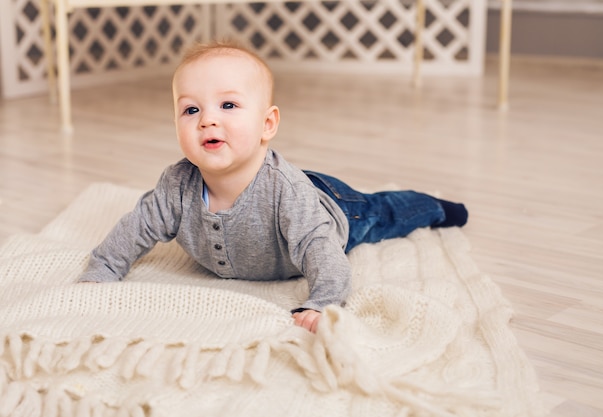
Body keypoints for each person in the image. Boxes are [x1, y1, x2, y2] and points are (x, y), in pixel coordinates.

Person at [78, 41, 468, 333]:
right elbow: (135, 229)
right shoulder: (175, 186)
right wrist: (101, 271)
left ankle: (434, 207)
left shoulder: (288, 195)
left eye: (228, 106)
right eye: (191, 109)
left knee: (385, 211)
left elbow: (320, 250)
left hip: (334, 207)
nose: (207, 120)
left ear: (267, 124)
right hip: (291, 188)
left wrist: (322, 303)